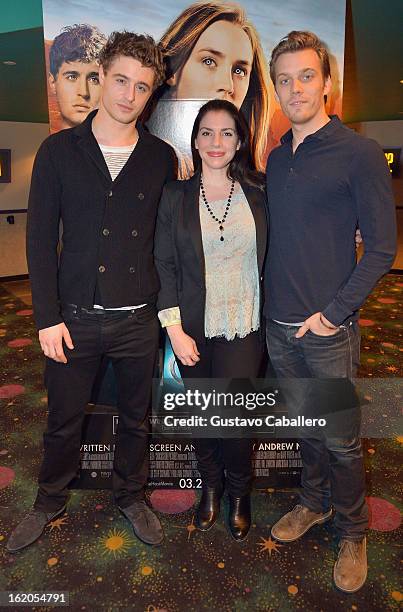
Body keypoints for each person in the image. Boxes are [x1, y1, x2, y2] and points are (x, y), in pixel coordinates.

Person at [7, 31, 176, 553]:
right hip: (74, 318)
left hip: (137, 320)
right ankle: (48, 500)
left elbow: (167, 240)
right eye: (121, 80)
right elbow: (39, 241)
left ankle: (131, 496)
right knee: (62, 420)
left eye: (142, 87)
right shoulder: (59, 151)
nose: (128, 94)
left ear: (151, 95)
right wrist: (45, 317)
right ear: (102, 77)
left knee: (135, 419)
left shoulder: (160, 157)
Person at [264, 31, 396, 592]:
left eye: (306, 76)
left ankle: (352, 529)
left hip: (327, 330)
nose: (296, 88)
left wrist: (334, 313)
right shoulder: (274, 158)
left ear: (326, 82)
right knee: (305, 428)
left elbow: (384, 249)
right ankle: (314, 503)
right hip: (277, 325)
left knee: (340, 438)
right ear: (275, 88)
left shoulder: (359, 152)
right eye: (285, 80)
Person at [154, 99, 267, 541]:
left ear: (239, 141)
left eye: (226, 133)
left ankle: (239, 493)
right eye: (206, 132)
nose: (215, 142)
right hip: (191, 329)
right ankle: (211, 488)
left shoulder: (260, 194)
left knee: (235, 422)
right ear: (196, 140)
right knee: (203, 419)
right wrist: (174, 330)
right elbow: (163, 264)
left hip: (244, 325)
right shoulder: (175, 196)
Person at [150, 1, 270, 177]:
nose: (227, 85)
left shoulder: (253, 183)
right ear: (172, 70)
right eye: (209, 61)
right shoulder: (153, 161)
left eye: (239, 71)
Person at [48, 24, 107, 130]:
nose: (84, 92)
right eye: (72, 77)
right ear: (53, 82)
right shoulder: (49, 146)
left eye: (94, 79)